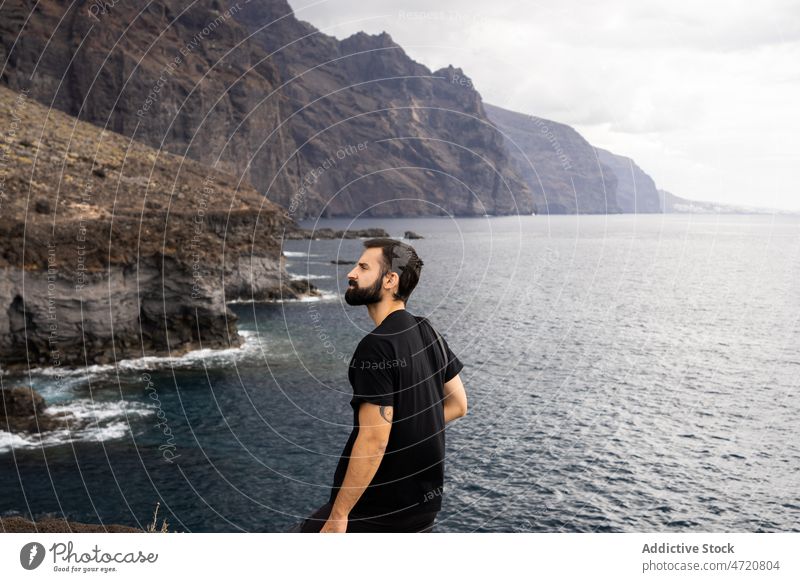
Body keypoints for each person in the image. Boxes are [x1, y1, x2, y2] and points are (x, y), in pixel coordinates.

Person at [290, 237, 468, 533]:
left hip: (377, 512)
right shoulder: (427, 330)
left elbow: (374, 441)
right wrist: (409, 431)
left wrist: (339, 516)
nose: (351, 273)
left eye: (362, 267)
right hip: (422, 512)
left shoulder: (375, 347)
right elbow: (458, 405)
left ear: (390, 280)